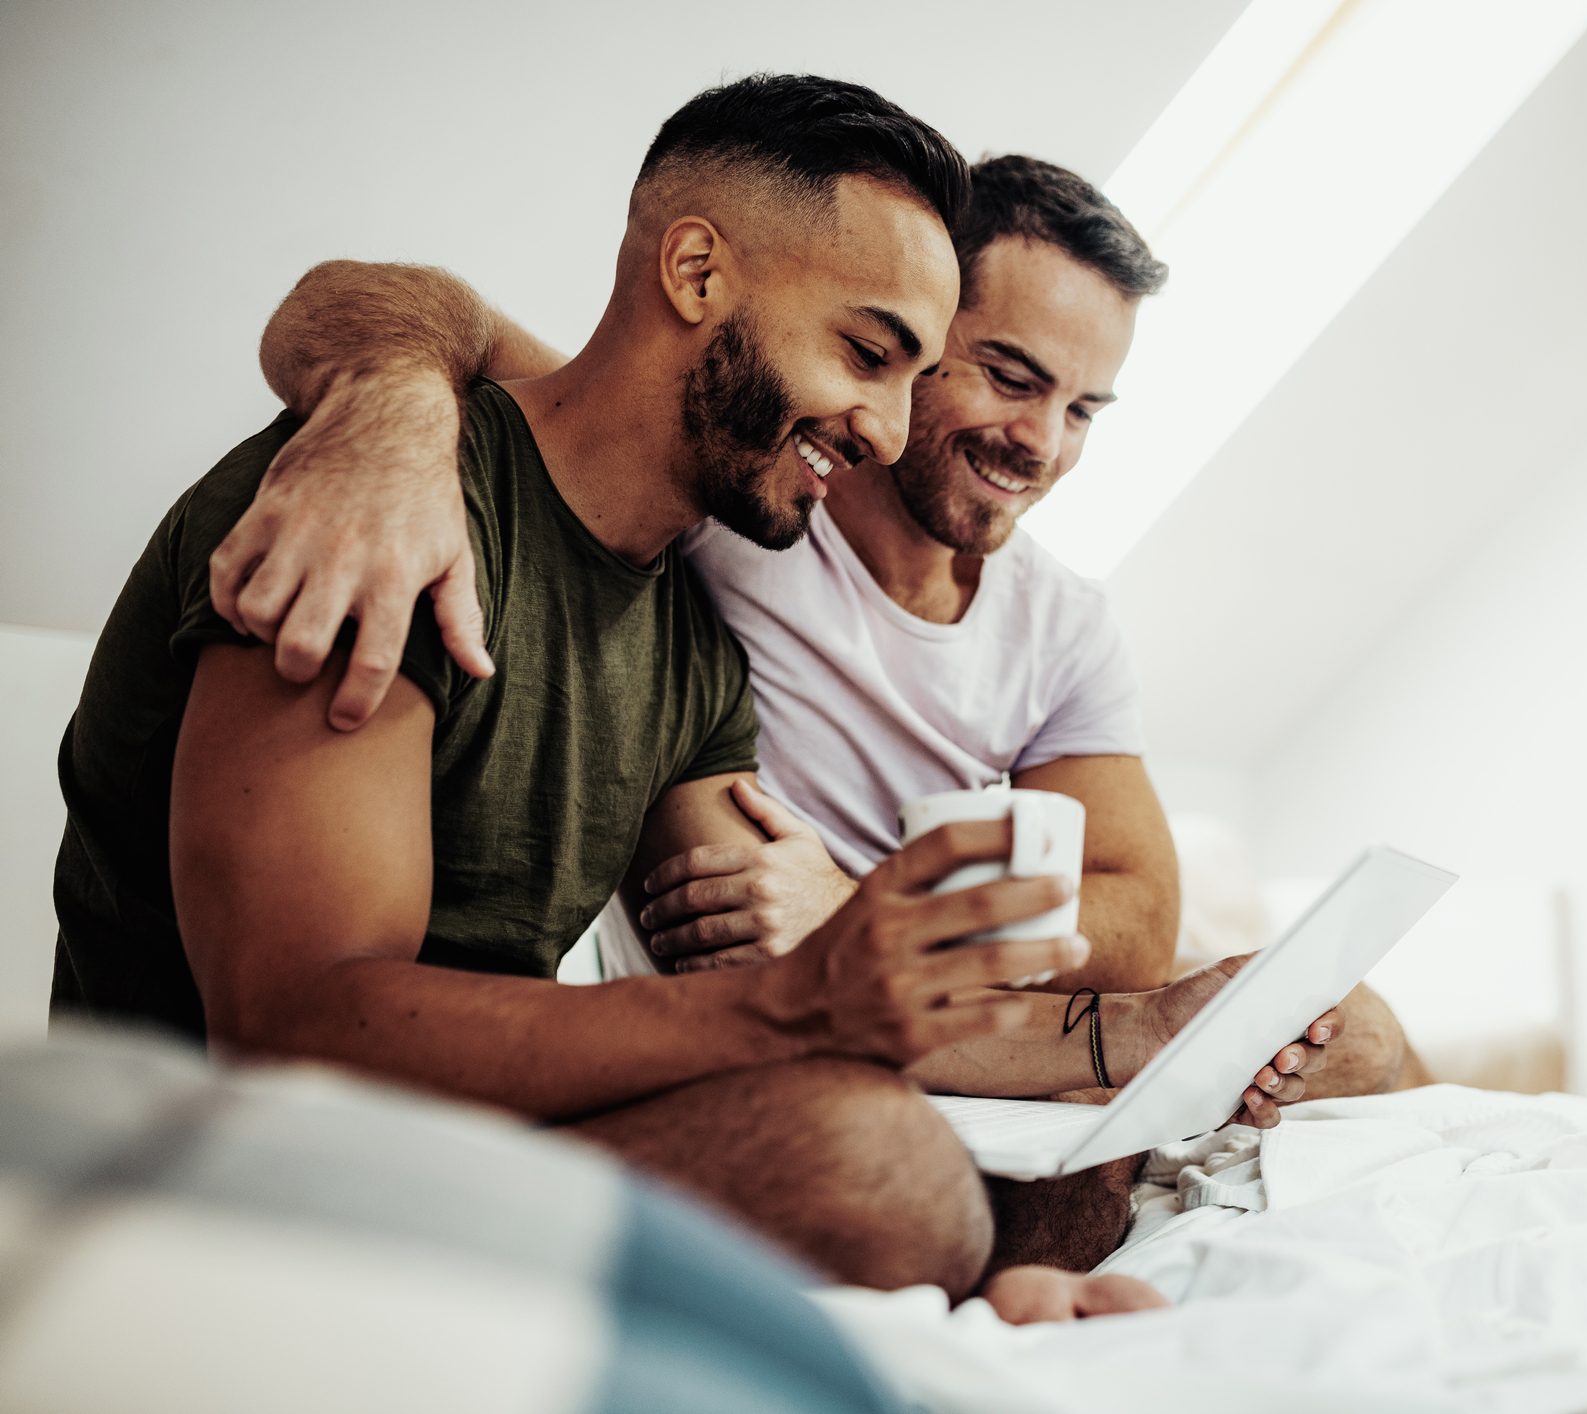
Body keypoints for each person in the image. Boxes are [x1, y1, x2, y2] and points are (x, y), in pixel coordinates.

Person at [51, 74, 1299, 1310]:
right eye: (868, 355)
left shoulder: (692, 636)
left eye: (914, 377)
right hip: (213, 1184)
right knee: (873, 1163)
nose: (880, 426)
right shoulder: (384, 504)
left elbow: (792, 966)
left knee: (1058, 1155)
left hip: (458, 1149)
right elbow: (291, 1034)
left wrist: (1133, 1036)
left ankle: (1009, 1326)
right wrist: (786, 1012)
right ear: (696, 276)